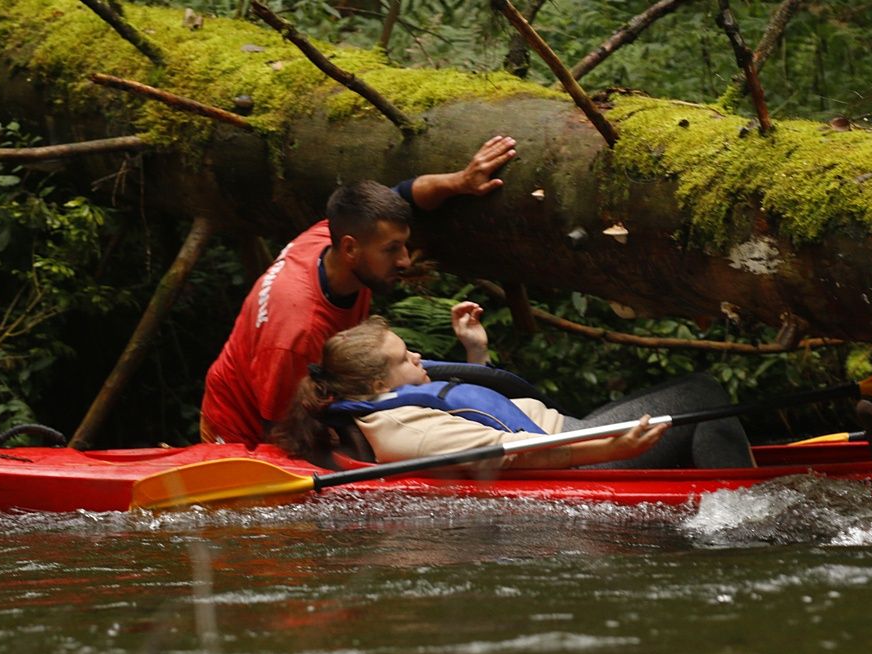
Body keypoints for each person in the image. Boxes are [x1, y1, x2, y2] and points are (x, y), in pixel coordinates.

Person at [200, 136, 517, 447]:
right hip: (243, 433)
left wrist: (460, 181)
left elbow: (405, 193)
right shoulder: (299, 331)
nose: (405, 260)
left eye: (403, 245)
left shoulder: (331, 236)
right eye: (391, 249)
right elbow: (284, 431)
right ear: (350, 249)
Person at [275, 304, 755, 471]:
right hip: (584, 457)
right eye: (405, 358)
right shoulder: (408, 434)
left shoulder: (390, 404)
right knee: (704, 395)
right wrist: (615, 447)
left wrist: (475, 352)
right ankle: (748, 513)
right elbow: (517, 455)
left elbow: (472, 414)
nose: (417, 357)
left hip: (572, 433)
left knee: (694, 390)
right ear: (378, 382)